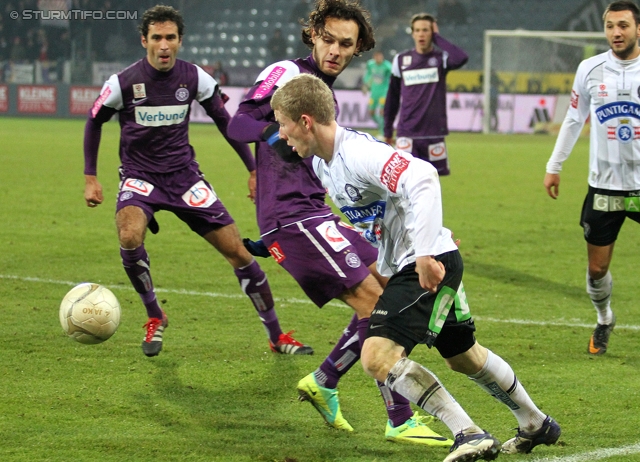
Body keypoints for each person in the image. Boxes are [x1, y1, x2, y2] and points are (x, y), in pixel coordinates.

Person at [271, 73, 562, 462]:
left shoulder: (357, 153)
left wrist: (425, 252)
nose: (281, 134)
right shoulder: (324, 165)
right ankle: (535, 422)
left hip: (426, 263)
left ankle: (468, 433)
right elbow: (378, 215)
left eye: (282, 123)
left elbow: (423, 177)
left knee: (377, 356)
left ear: (305, 120)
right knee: (463, 355)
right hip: (425, 260)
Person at [229, 0, 451, 447]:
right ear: (313, 33)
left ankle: (326, 381)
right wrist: (277, 141)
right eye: (327, 38)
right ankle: (400, 416)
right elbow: (239, 124)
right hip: (292, 215)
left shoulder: (322, 92)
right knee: (377, 305)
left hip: (313, 209)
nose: (334, 49)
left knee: (387, 291)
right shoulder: (286, 73)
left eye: (345, 44)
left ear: (357, 49)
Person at [82, 5, 312, 358]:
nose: (163, 45)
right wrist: (90, 177)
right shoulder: (123, 83)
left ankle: (277, 336)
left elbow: (226, 121)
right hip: (140, 176)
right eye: (156, 38)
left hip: (185, 178)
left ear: (179, 41)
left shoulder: (195, 78)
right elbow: (94, 121)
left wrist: (252, 169)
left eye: (170, 38)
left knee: (238, 252)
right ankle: (155, 315)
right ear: (144, 40)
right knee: (129, 234)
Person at [544, 0, 640, 356]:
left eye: (624, 26)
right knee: (597, 269)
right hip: (605, 186)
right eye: (611, 26)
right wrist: (555, 165)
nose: (616, 32)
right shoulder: (590, 69)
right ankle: (604, 318)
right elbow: (573, 119)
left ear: (638, 29)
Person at [383, 13, 468, 176]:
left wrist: (438, 38)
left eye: (426, 30)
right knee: (403, 182)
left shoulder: (440, 59)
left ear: (432, 33)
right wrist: (387, 130)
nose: (421, 34)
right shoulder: (401, 60)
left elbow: (461, 58)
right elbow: (392, 98)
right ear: (412, 33)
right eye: (417, 30)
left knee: (432, 182)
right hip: (407, 133)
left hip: (433, 134)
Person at [362, 49, 392, 137]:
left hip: (384, 92)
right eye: (376, 56)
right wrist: (366, 84)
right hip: (374, 92)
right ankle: (382, 126)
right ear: (374, 57)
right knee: (371, 112)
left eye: (380, 56)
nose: (378, 58)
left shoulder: (387, 66)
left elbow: (393, 78)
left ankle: (383, 133)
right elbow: (368, 75)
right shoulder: (370, 64)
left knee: (382, 112)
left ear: (382, 57)